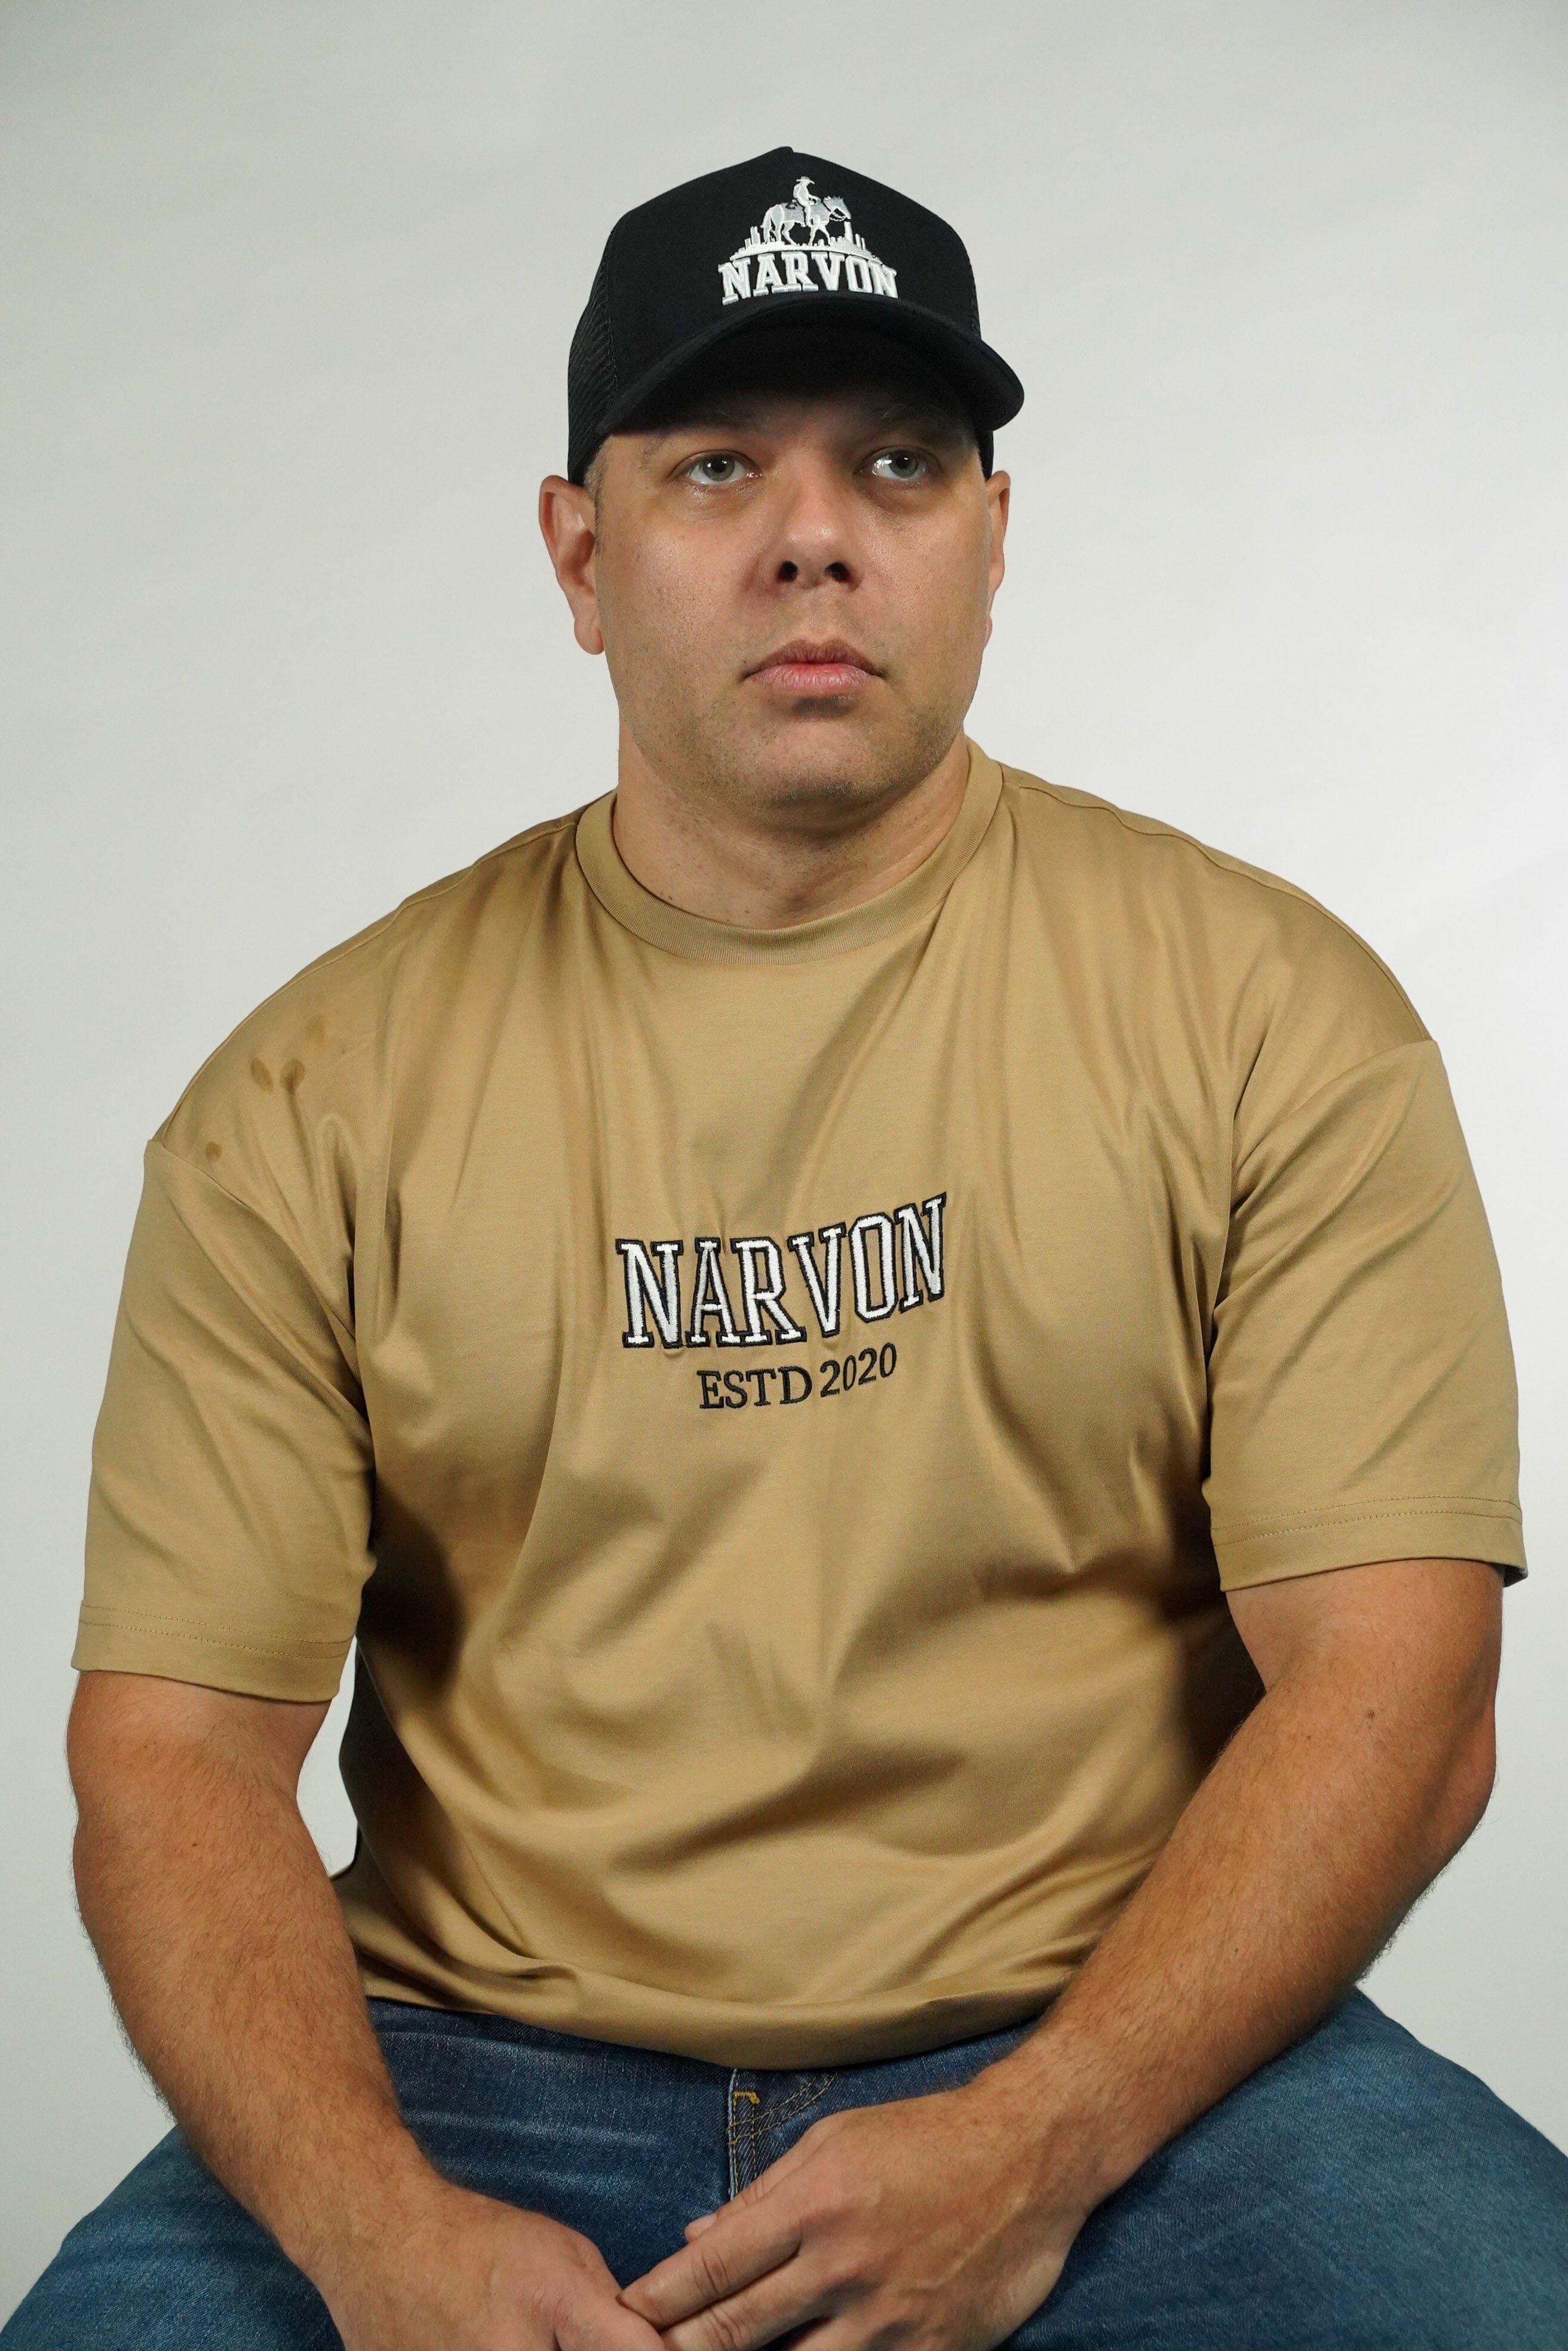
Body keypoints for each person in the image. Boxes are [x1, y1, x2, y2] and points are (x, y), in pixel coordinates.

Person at [5, 145, 1564, 2351]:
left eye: (900, 464)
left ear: (993, 541)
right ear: (578, 551)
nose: (814, 534)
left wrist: (1047, 2133)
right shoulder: (311, 1100)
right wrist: (371, 2230)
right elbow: (169, 1754)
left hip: (1126, 2056)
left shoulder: (1262, 1016)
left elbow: (1401, 1689)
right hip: (469, 2076)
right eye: (717, 464)